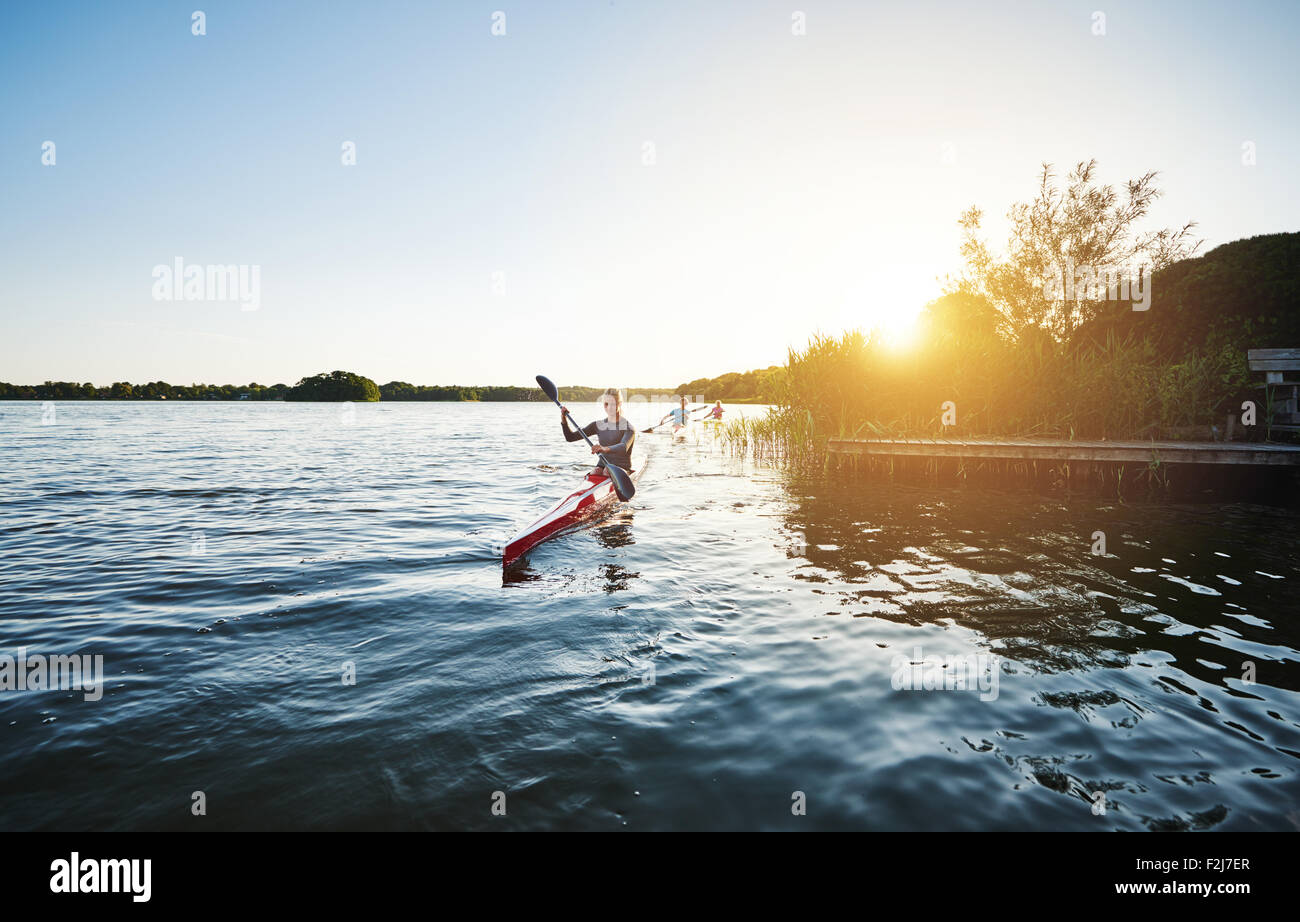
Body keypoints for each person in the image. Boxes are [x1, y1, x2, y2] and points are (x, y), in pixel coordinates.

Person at [561, 387, 636, 479]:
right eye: (606, 404)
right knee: (596, 471)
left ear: (619, 404)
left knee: (607, 471)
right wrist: (564, 420)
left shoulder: (629, 427)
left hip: (622, 468)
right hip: (603, 465)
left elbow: (623, 447)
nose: (609, 407)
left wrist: (604, 448)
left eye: (613, 404)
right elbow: (570, 438)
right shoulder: (598, 425)